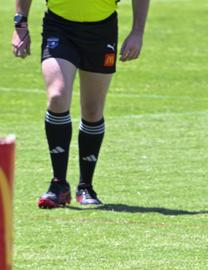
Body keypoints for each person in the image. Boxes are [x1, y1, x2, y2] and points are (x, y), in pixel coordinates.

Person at [11, 0, 150, 208]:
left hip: (102, 29)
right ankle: (58, 185)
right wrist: (20, 26)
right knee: (57, 96)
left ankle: (86, 186)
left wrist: (137, 32)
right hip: (59, 26)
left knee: (92, 110)